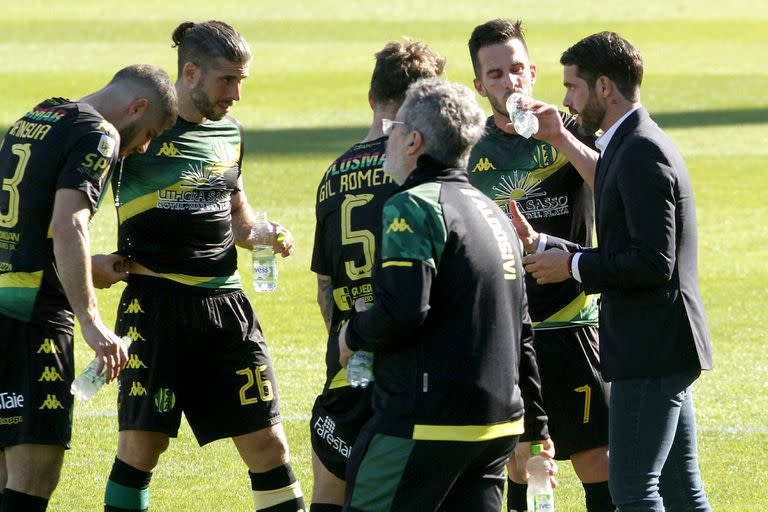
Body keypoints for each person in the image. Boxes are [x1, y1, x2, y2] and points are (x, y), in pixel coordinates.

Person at [97, 21, 305, 512]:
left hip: (225, 307)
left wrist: (264, 236)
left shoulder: (231, 133)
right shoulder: (137, 129)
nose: (236, 93)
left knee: (269, 446)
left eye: (241, 81)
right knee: (142, 449)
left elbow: (236, 217)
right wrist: (89, 262)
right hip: (154, 308)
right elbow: (72, 206)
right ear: (190, 72)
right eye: (226, 80)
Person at [514, 32, 713, 511]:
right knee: (681, 491)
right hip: (660, 344)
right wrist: (546, 244)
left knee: (633, 490)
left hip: (650, 350)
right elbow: (614, 195)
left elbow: (652, 260)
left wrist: (573, 265)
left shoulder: (641, 151)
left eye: (572, 87)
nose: (566, 101)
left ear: (604, 87)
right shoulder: (631, 143)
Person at [338, 78, 551, 512]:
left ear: (414, 141)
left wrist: (351, 334)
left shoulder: (413, 204)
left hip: (427, 422)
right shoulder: (491, 210)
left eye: (394, 129)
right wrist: (535, 424)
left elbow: (403, 310)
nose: (387, 139)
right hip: (496, 427)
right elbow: (521, 330)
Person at [0, 65, 178, 512]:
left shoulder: (39, 115)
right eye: (150, 131)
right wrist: (92, 321)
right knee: (35, 470)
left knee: (5, 466)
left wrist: (81, 267)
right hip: (32, 314)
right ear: (136, 108)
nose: (146, 146)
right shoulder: (101, 135)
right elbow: (69, 224)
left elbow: (30, 220)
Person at [466, 19, 614, 512]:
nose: (509, 83)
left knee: (597, 457)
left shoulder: (569, 128)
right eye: (495, 75)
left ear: (532, 71)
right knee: (521, 460)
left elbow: (617, 194)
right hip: (506, 328)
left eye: (515, 70)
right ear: (478, 85)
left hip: (571, 321)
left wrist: (564, 141)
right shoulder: (470, 150)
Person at [309, 39, 445, 512]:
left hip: (348, 367)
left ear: (372, 98)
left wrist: (343, 347)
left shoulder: (332, 174)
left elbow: (326, 288)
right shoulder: (419, 173)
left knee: (330, 491)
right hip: (411, 368)